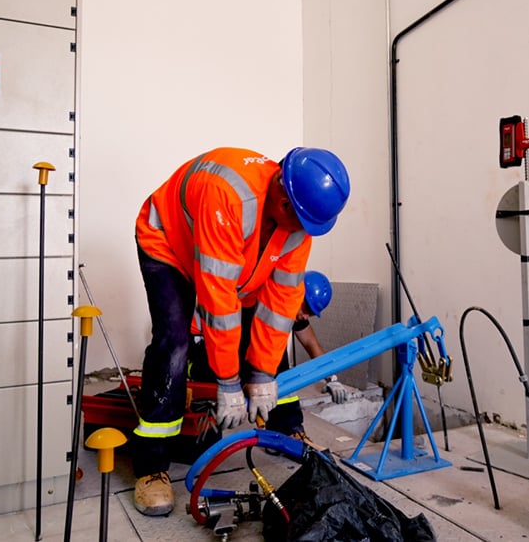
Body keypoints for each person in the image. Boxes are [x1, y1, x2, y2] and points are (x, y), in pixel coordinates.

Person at [131, 146, 350, 517]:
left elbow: (280, 309)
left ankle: (285, 428)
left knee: (270, 336)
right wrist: (229, 382)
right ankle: (152, 468)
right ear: (282, 197)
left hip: (239, 260)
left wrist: (263, 375)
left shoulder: (300, 222)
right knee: (175, 341)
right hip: (169, 243)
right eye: (298, 220)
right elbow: (219, 302)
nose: (302, 231)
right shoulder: (229, 195)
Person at [188, 271, 360, 448]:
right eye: (306, 309)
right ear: (294, 293)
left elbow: (311, 343)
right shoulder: (261, 303)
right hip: (203, 347)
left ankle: (288, 428)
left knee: (276, 361)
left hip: (233, 348)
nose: (305, 316)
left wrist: (332, 379)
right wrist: (247, 384)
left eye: (311, 314)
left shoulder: (294, 311)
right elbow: (234, 349)